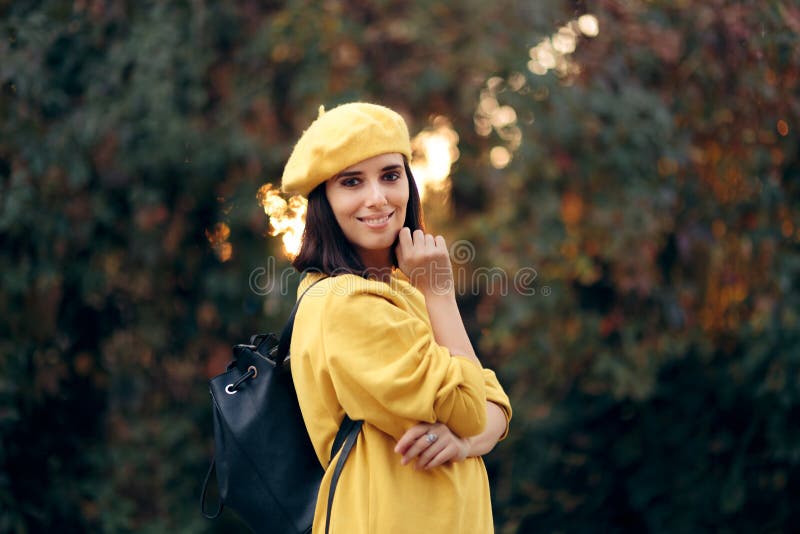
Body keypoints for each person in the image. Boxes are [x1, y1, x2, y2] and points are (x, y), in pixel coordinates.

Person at [280, 102, 512, 534]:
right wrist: (441, 296)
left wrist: (461, 441)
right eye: (352, 182)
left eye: (390, 175)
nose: (377, 198)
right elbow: (471, 406)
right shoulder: (343, 302)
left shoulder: (402, 290)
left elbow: (495, 402)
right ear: (324, 202)